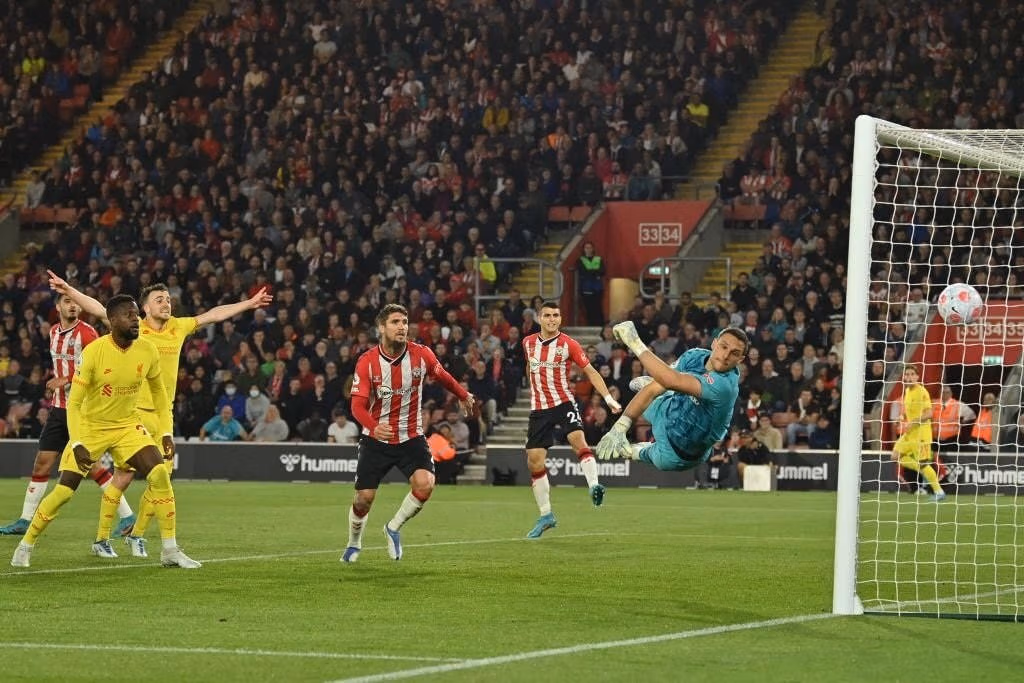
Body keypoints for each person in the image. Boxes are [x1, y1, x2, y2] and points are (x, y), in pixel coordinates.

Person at [48, 273, 272, 557]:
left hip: (164, 414)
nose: (166, 303)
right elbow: (98, 309)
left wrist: (248, 303)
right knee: (123, 477)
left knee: (161, 479)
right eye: (159, 300)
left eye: (167, 299)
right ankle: (102, 538)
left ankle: (137, 535)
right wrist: (69, 289)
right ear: (145, 308)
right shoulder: (135, 328)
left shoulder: (178, 326)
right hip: (133, 415)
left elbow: (213, 315)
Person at [11, 295, 200, 569]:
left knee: (160, 475)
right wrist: (77, 442)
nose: (136, 320)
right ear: (112, 320)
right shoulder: (94, 352)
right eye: (129, 316)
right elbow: (74, 403)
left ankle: (169, 550)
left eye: (136, 315)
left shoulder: (147, 350)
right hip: (91, 427)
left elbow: (160, 395)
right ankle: (25, 545)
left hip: (127, 426)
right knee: (64, 491)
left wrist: (166, 433)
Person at [342, 304, 476, 563]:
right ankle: (354, 543)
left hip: (411, 437)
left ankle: (393, 528)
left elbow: (442, 375)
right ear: (381, 328)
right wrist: (373, 425)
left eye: (404, 322)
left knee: (425, 485)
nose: (402, 327)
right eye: (395, 322)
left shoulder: (421, 354)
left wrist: (463, 394)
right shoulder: (368, 361)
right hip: (376, 439)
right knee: (363, 499)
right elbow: (357, 406)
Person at [0, 294, 135, 536]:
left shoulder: (88, 333)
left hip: (82, 410)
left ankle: (127, 516)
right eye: (66, 301)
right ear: (57, 306)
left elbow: (102, 367)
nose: (72, 305)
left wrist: (67, 379)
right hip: (58, 408)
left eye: (75, 302)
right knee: (42, 463)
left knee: (90, 466)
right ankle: (24, 520)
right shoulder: (53, 332)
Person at [521, 301, 622, 538]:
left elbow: (591, 371)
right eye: (547, 315)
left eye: (556, 315)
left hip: (564, 402)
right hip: (539, 408)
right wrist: (534, 385)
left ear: (560, 318)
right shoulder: (527, 343)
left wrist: (608, 398)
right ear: (539, 318)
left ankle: (594, 485)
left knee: (578, 439)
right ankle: (546, 515)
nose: (552, 319)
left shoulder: (569, 344)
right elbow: (529, 366)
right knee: (534, 461)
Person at [595, 322, 747, 474]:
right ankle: (660, 391)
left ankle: (636, 452)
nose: (726, 356)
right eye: (724, 347)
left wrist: (634, 342)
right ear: (714, 343)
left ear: (740, 359)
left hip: (678, 453)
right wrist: (619, 427)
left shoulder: (725, 385)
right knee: (650, 386)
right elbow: (658, 386)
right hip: (666, 411)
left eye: (734, 353)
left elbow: (671, 380)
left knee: (637, 453)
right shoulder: (694, 356)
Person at [891, 364, 945, 501]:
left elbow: (929, 413)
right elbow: (908, 412)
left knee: (923, 464)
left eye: (911, 374)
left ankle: (939, 491)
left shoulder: (922, 392)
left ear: (917, 377)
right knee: (895, 456)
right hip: (910, 433)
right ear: (904, 377)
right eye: (907, 374)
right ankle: (921, 468)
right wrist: (901, 417)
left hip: (922, 435)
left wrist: (914, 421)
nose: (909, 377)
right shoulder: (907, 391)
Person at [577, 241, 605, 326]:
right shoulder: (580, 260)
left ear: (593, 249)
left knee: (598, 307)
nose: (588, 249)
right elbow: (582, 271)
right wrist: (595, 273)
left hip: (598, 288)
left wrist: (590, 272)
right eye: (586, 248)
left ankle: (600, 325)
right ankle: (591, 325)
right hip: (586, 288)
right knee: (589, 308)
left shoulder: (598, 259)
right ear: (584, 249)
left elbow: (602, 271)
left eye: (590, 248)